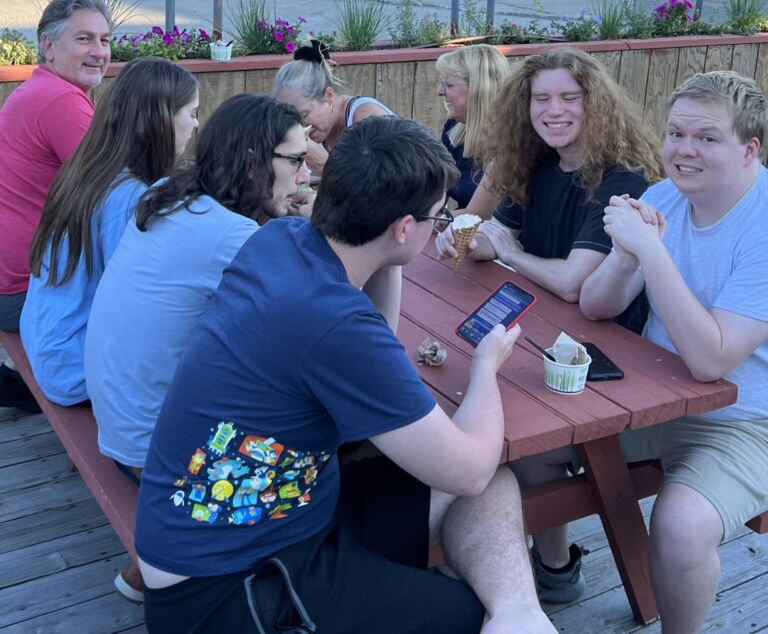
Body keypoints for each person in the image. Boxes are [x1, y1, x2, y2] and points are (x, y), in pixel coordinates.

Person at [134, 117, 557, 634]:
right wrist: (486, 367)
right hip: (228, 587)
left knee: (495, 484)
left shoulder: (284, 240)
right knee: (468, 601)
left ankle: (520, 615)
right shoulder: (331, 321)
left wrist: (392, 253)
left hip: (287, 517)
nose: (438, 226)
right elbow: (465, 467)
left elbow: (378, 344)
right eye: (435, 218)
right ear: (405, 226)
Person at [436, 46, 663, 603]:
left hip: (610, 359)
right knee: (459, 390)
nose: (553, 110)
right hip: (541, 332)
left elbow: (573, 283)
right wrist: (465, 236)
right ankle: (542, 563)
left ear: (596, 104)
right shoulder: (536, 162)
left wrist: (507, 250)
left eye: (568, 97)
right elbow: (492, 238)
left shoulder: (619, 178)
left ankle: (551, 567)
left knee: (509, 435)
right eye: (542, 99)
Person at [580, 71, 768, 634]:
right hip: (655, 400)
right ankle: (555, 569)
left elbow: (713, 361)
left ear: (749, 148)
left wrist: (651, 254)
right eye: (676, 133)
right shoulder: (666, 195)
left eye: (707, 138)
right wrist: (622, 255)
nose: (685, 150)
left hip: (747, 420)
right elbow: (596, 306)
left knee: (681, 529)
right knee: (532, 451)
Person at [86, 93, 311, 474]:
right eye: (297, 161)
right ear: (254, 161)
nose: (305, 176)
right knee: (323, 420)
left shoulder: (173, 195)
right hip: (159, 455)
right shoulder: (230, 234)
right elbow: (323, 328)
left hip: (122, 426)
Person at [20, 57, 199, 408]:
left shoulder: (90, 167)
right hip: (73, 369)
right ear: (160, 120)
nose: (195, 125)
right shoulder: (129, 196)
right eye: (191, 113)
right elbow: (137, 304)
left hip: (46, 342)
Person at [0, 0, 112, 412]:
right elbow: (115, 191)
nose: (99, 52)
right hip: (23, 291)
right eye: (84, 39)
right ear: (48, 46)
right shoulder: (61, 101)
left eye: (104, 40)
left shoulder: (40, 90)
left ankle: (24, 386)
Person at [272, 38, 393, 175]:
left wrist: (324, 165)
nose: (299, 126)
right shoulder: (321, 132)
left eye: (304, 115)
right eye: (291, 119)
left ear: (329, 97)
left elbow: (383, 188)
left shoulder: (368, 120)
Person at [435, 44, 509, 214]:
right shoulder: (454, 129)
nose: (440, 91)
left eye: (448, 85)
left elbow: (480, 215)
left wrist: (424, 223)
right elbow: (435, 191)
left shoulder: (511, 141)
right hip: (459, 231)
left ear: (479, 89)